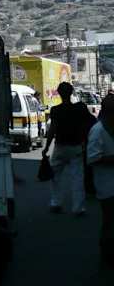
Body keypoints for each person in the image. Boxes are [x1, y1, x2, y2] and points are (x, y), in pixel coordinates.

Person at [42, 82, 97, 215]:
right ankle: (78, 207)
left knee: (55, 176)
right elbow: (91, 122)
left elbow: (52, 130)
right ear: (71, 93)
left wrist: (47, 147)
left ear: (59, 94)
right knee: (77, 178)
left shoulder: (56, 110)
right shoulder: (80, 108)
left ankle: (56, 203)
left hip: (60, 146)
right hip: (76, 147)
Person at [88, 94, 114, 268]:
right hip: (106, 185)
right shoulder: (98, 131)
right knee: (109, 222)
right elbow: (92, 158)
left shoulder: (110, 127)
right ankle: (107, 254)